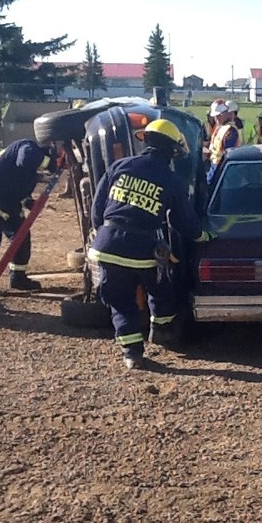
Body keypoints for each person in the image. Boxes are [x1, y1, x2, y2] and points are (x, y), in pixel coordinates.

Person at [88, 119, 213, 370]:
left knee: (120, 302)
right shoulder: (171, 179)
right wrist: (203, 237)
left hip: (107, 247)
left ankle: (132, 353)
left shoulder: (119, 166)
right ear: (172, 151)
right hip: (143, 249)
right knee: (161, 290)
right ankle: (162, 330)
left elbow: (97, 211)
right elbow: (183, 222)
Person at [0, 138, 58, 290]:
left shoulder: (31, 171)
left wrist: (29, 202)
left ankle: (18, 278)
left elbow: (18, 186)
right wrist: (49, 163)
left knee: (22, 237)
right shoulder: (28, 147)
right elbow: (25, 161)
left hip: (8, 204)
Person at [207, 100, 241, 183]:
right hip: (215, 165)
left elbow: (227, 153)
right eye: (215, 116)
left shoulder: (230, 130)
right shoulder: (220, 128)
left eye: (219, 115)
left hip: (222, 168)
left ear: (226, 114)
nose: (216, 118)